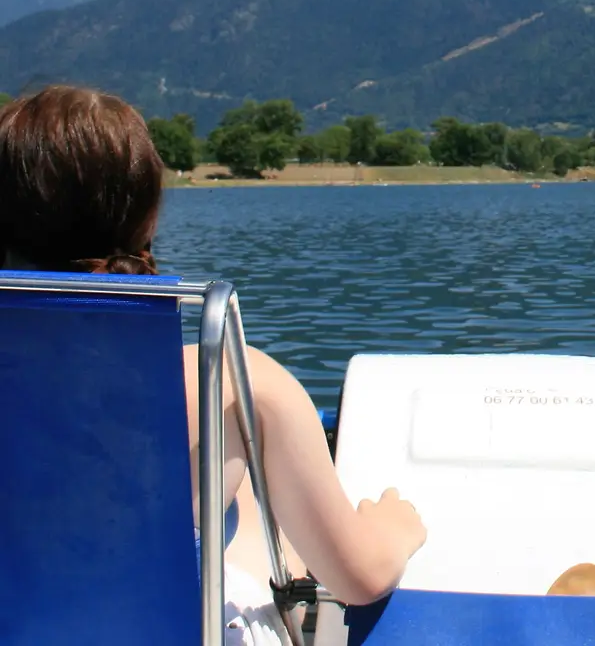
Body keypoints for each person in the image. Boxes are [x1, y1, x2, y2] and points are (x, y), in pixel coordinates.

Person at [0, 86, 427, 612]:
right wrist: (395, 529)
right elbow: (361, 579)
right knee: (244, 504)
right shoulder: (227, 384)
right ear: (147, 221)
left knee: (237, 503)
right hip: (164, 624)